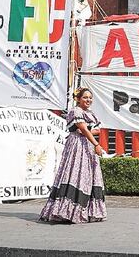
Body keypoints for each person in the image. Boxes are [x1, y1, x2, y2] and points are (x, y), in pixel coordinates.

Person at [40, 87, 107, 223]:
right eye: (85, 97)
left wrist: (87, 132)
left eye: (90, 98)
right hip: (77, 145)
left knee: (87, 176)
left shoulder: (90, 113)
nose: (88, 100)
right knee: (75, 173)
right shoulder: (75, 111)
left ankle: (87, 211)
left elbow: (97, 130)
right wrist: (96, 144)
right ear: (78, 99)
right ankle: (67, 211)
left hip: (87, 145)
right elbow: (83, 129)